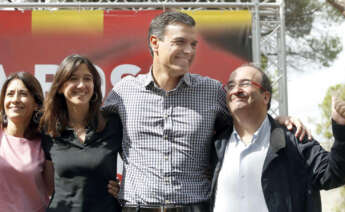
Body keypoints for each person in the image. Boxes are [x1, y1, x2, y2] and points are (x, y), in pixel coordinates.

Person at [103, 11, 310, 212]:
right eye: (180, 42)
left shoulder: (212, 91)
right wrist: (104, 180)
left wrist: (277, 121)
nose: (189, 51)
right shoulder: (125, 91)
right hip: (136, 207)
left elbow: (247, 124)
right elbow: (94, 135)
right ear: (155, 43)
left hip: (196, 206)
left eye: (193, 44)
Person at [211, 63, 345, 212]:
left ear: (266, 96)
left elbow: (333, 174)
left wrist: (341, 130)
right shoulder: (216, 144)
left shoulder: (294, 139)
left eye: (245, 84)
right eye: (230, 86)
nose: (236, 90)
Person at [39, 54, 122, 212]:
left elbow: (140, 161)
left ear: (95, 86)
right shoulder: (49, 129)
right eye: (73, 78)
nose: (81, 85)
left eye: (87, 78)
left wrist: (124, 190)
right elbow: (48, 186)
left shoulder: (113, 124)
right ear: (61, 87)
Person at [0, 72, 53, 212]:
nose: (15, 99)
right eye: (10, 94)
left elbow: (52, 187)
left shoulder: (45, 142)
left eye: (23, 94)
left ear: (36, 104)